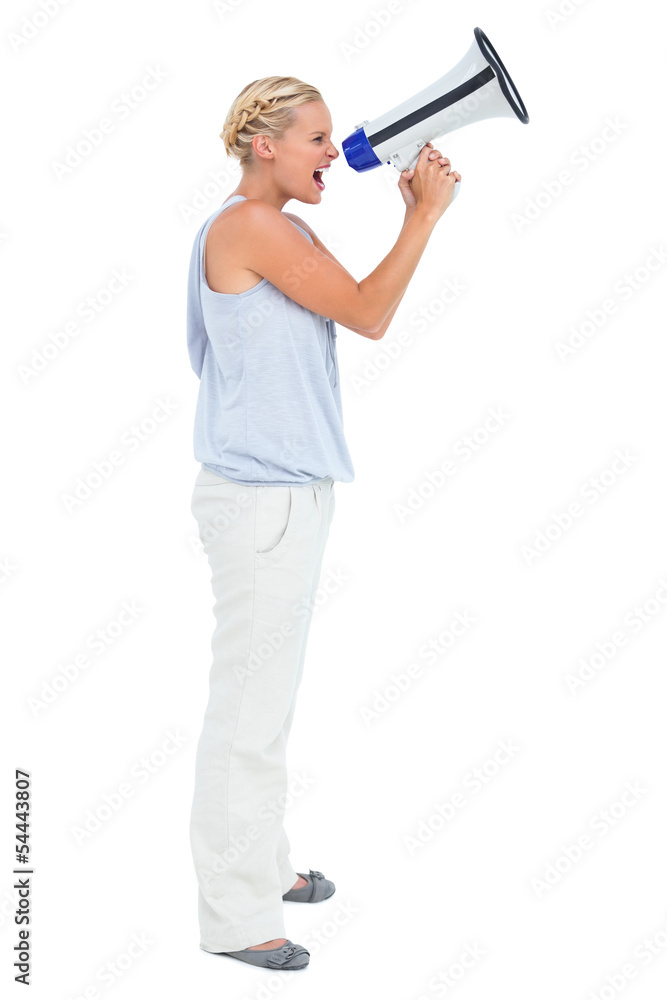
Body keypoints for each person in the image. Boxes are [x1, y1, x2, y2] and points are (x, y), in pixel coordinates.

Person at [186, 75, 460, 972]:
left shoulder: (287, 229)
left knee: (267, 704)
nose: (333, 154)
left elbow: (350, 301)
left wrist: (411, 212)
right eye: (316, 138)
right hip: (262, 500)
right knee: (248, 715)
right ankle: (234, 919)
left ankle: (262, 867)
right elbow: (370, 315)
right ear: (264, 144)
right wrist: (423, 217)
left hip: (285, 493)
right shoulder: (248, 227)